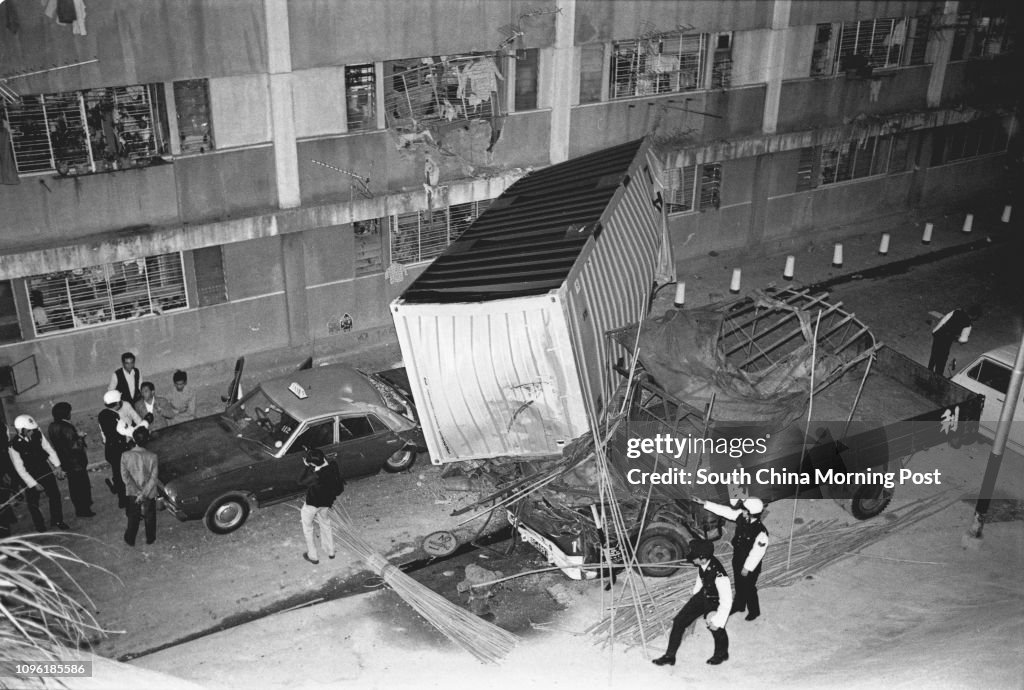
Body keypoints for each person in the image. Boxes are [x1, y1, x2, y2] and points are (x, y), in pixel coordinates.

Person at [652, 538, 732, 667]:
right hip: (703, 595)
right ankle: (669, 656)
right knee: (679, 622)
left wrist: (719, 620)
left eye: (694, 558)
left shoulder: (720, 575)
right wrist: (695, 594)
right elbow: (701, 577)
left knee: (715, 626)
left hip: (715, 600)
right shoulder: (704, 563)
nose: (692, 560)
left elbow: (727, 601)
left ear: (703, 558)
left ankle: (721, 653)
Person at [694, 496, 769, 621]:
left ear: (751, 513)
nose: (743, 511)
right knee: (739, 584)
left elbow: (757, 553)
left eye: (745, 510)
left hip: (750, 565)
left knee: (749, 587)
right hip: (738, 558)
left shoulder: (761, 532)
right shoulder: (742, 517)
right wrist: (706, 503)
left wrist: (747, 568)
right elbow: (725, 511)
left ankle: (754, 611)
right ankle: (739, 605)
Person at [8, 415, 68, 532]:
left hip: (44, 469)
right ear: (21, 430)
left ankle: (57, 520)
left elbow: (48, 449)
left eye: (32, 429)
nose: (32, 432)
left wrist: (57, 466)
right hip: (29, 475)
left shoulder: (38, 433)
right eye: (29, 430)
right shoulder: (14, 445)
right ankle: (40, 525)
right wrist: (33, 484)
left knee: (55, 495)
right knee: (33, 502)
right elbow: (20, 468)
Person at [47, 402, 95, 518]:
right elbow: (75, 447)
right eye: (69, 412)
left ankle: (80, 507)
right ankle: (84, 509)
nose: (70, 414)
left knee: (73, 486)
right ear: (65, 413)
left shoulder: (52, 426)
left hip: (65, 461)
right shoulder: (67, 427)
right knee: (82, 486)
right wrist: (80, 436)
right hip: (76, 462)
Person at [298, 448, 344, 564]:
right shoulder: (333, 465)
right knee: (325, 524)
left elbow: (300, 481)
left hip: (312, 505)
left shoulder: (316, 476)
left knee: (308, 528)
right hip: (326, 503)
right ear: (323, 457)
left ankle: (313, 556)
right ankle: (331, 551)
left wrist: (307, 466)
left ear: (313, 464)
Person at [121, 426, 158, 546]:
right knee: (150, 515)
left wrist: (137, 493)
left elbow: (125, 477)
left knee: (133, 516)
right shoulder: (152, 456)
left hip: (132, 492)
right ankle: (150, 538)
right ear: (147, 440)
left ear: (134, 439)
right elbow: (153, 479)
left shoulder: (125, 455)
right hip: (148, 492)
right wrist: (143, 493)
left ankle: (130, 538)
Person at [99, 390, 132, 508]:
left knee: (117, 475)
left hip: (110, 450)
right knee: (124, 477)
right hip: (119, 451)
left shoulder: (102, 414)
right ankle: (126, 501)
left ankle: (121, 500)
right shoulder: (115, 416)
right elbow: (126, 431)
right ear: (117, 403)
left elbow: (104, 435)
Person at [928, 307, 980, 376]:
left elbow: (943, 320)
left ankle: (928, 372)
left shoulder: (956, 312)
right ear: (975, 316)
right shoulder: (968, 325)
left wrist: (935, 331)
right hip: (946, 341)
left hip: (939, 335)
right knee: (941, 361)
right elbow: (963, 340)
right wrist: (957, 339)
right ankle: (937, 377)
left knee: (933, 356)